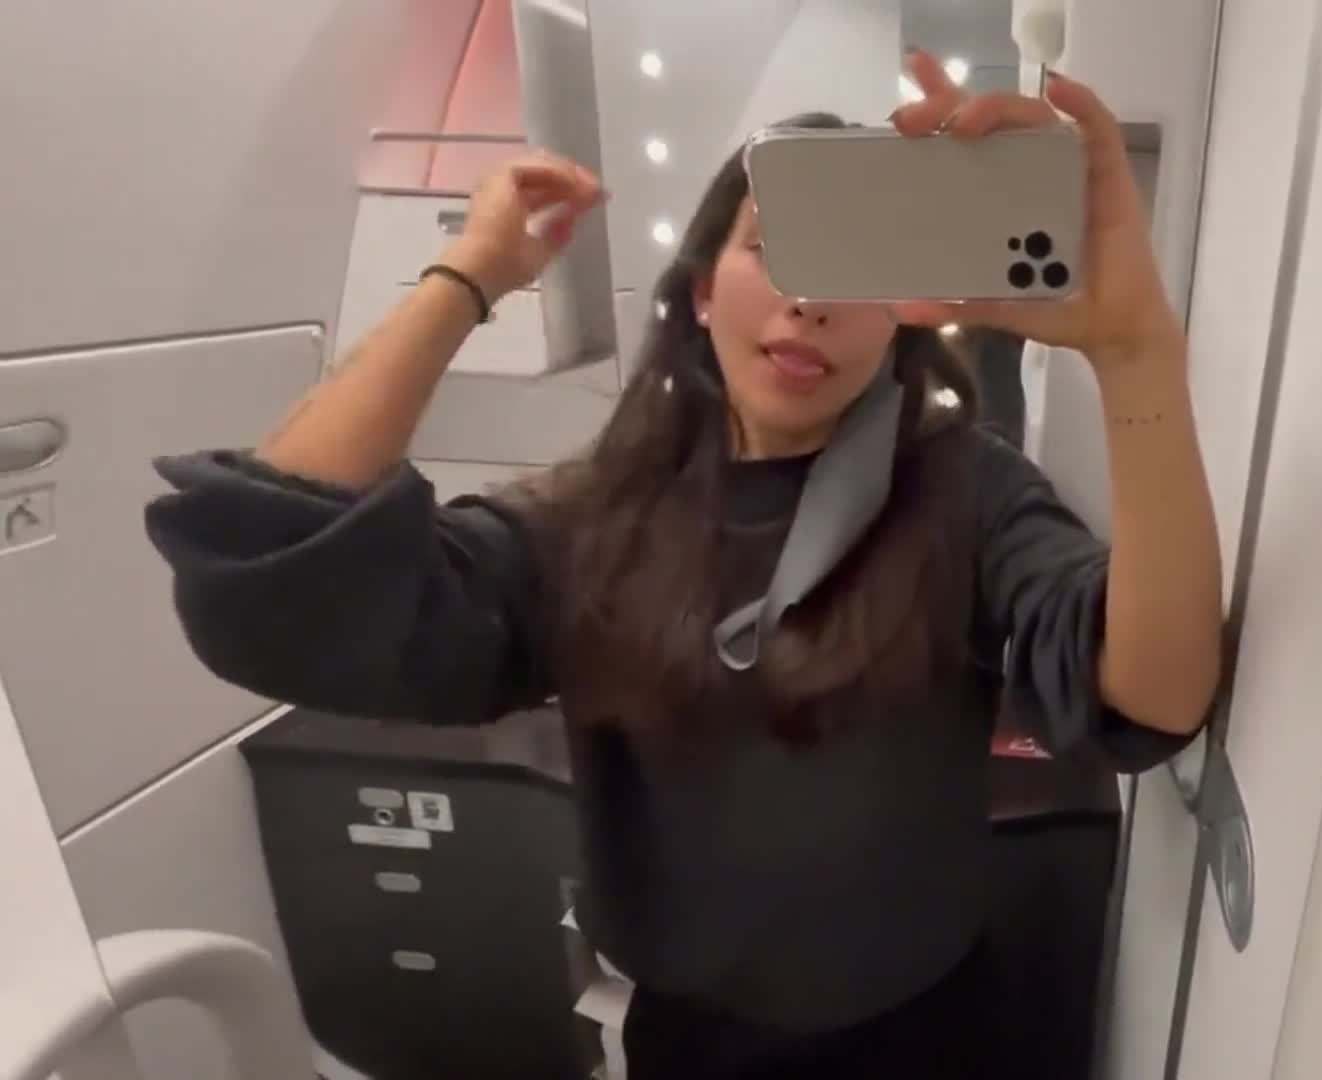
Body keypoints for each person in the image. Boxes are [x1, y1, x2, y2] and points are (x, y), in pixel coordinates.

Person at [144, 51, 1222, 1079]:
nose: (808, 300)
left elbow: (1156, 699)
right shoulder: (598, 517)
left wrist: (1135, 353)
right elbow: (271, 568)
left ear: (905, 316)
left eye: (853, 263)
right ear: (702, 291)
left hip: (926, 1035)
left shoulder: (965, 491)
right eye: (773, 248)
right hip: (688, 1045)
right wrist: (465, 279)